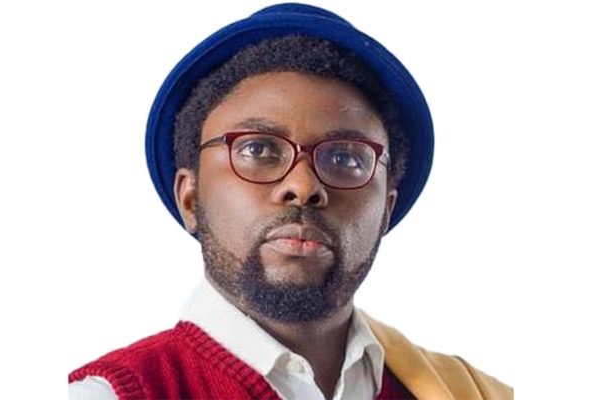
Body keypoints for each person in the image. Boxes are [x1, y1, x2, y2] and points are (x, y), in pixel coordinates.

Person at [69, 3, 512, 399]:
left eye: (345, 157)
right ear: (189, 198)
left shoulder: (469, 393)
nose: (303, 186)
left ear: (386, 211)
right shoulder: (108, 394)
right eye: (258, 149)